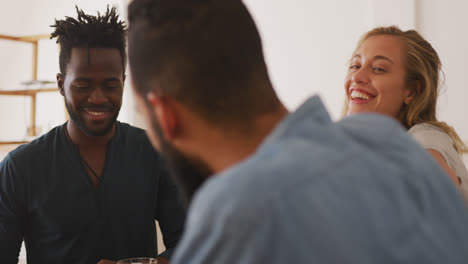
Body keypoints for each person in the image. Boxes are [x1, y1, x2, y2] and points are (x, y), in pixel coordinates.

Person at [127, 0, 468, 263]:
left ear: (164, 114)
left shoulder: (237, 215)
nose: (361, 76)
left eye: (379, 68)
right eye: (357, 64)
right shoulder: (391, 143)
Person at [0, 6, 186, 264]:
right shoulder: (20, 168)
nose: (97, 98)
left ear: (123, 81)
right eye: (83, 85)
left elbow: (188, 242)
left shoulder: (154, 153)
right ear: (60, 84)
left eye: (110, 85)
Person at [343, 26, 468, 205]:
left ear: (412, 90)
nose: (357, 76)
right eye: (355, 65)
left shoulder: (425, 139)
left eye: (378, 69)